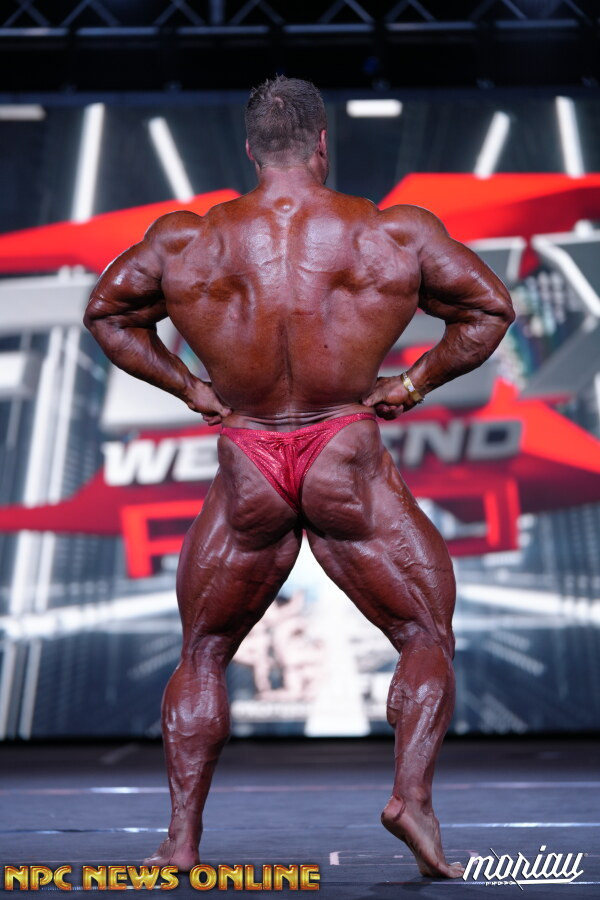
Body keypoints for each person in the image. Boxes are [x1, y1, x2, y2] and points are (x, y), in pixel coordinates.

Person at [83, 76, 515, 880]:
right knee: (424, 635)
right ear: (323, 144)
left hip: (247, 458)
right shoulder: (390, 233)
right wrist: (412, 382)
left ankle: (180, 840)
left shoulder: (186, 242)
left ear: (250, 150)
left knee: (204, 649)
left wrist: (191, 388)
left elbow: (106, 313)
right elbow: (490, 309)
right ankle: (411, 798)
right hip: (343, 451)